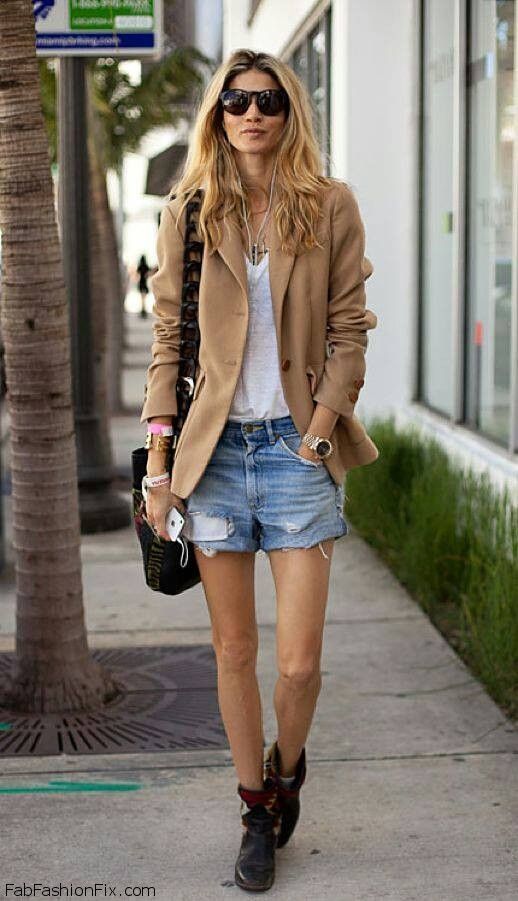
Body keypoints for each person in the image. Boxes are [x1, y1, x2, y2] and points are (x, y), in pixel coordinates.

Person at [141, 48, 378, 892]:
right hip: (211, 459)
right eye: (237, 100)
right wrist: (159, 466)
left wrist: (319, 432)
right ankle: (255, 811)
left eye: (268, 100)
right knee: (234, 650)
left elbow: (349, 328)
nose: (252, 113)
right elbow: (168, 341)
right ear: (219, 112)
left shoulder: (329, 204)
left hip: (294, 453)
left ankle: (288, 765)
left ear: (289, 111)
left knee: (299, 665)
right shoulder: (190, 210)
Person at [136, 253, 151, 318]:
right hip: (144, 283)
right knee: (144, 299)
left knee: (142, 299)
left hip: (141, 283)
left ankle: (143, 311)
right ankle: (144, 311)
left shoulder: (139, 267)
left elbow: (137, 274)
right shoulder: (146, 266)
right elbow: (148, 274)